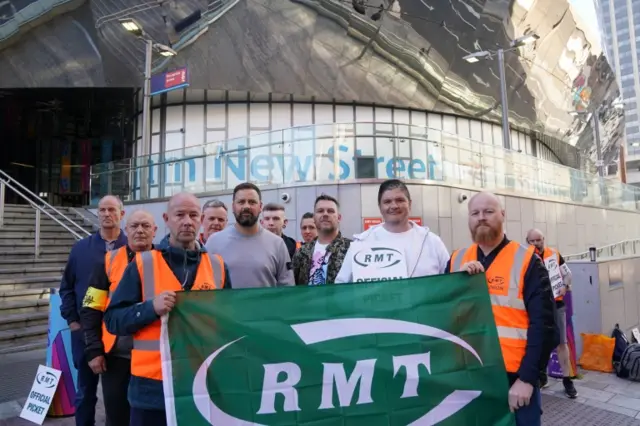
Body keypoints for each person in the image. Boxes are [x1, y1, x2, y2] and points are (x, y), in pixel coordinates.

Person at [104, 193, 232, 426]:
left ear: (201, 219)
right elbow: (113, 320)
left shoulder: (218, 266)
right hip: (151, 388)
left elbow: (228, 324)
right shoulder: (143, 264)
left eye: (193, 215)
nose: (187, 221)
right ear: (166, 219)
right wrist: (150, 308)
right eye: (180, 215)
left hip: (202, 385)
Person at [448, 192, 557, 426]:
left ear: (503, 215)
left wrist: (528, 379)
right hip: (471, 377)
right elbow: (446, 316)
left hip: (514, 381)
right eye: (475, 213)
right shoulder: (456, 261)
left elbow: (545, 325)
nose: (481, 218)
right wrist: (458, 282)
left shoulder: (527, 261)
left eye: (488, 211)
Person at [80, 210, 157, 426]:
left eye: (145, 226)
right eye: (134, 226)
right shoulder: (107, 262)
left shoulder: (165, 260)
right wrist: (94, 350)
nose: (140, 230)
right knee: (117, 418)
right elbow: (90, 308)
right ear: (126, 229)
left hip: (155, 359)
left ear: (155, 231)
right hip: (117, 357)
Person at [59, 195, 127, 426]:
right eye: (102, 210)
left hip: (120, 336)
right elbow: (66, 287)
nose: (106, 214)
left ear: (121, 214)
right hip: (86, 334)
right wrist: (72, 321)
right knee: (85, 392)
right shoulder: (81, 249)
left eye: (112, 209)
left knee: (119, 396)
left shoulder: (134, 249)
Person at [335, 179, 449, 283]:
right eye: (387, 201)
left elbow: (451, 280)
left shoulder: (432, 242)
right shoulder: (363, 242)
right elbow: (341, 285)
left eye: (400, 200)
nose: (394, 206)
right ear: (380, 207)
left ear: (410, 204)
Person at [206, 182, 294, 288]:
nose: (246, 206)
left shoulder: (277, 244)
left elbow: (287, 288)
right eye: (241, 202)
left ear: (260, 206)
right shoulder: (214, 242)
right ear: (233, 206)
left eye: (252, 202)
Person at [526, 228, 577, 398]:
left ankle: (567, 380)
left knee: (562, 343)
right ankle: (542, 377)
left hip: (557, 304)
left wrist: (565, 285)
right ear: (527, 242)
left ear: (543, 239)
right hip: (536, 306)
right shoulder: (525, 258)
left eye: (538, 240)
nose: (535, 244)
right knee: (539, 342)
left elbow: (568, 274)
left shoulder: (554, 254)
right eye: (531, 241)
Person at [293, 195, 351, 285]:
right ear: (314, 218)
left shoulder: (351, 249)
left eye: (330, 211)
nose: (325, 214)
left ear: (339, 218)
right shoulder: (302, 252)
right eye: (320, 211)